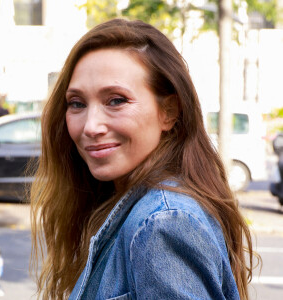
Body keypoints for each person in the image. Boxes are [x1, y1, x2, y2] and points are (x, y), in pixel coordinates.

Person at [30, 19, 254, 300]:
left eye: (116, 100)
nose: (90, 126)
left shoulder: (164, 222)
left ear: (169, 111)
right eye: (77, 103)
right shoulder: (132, 206)